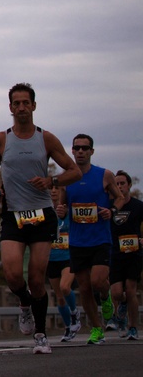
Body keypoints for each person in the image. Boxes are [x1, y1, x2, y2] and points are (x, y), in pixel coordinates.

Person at [0, 82, 80, 355]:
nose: (22, 108)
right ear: (10, 107)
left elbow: (74, 172)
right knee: (13, 275)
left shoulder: (46, 138)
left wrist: (52, 180)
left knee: (37, 279)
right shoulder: (1, 139)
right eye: (17, 103)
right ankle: (24, 304)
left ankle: (40, 334)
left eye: (26, 103)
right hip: (13, 215)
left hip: (41, 215)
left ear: (34, 106)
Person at [64, 134, 126, 345]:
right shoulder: (66, 178)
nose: (80, 151)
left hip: (100, 238)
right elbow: (62, 207)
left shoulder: (104, 175)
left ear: (92, 151)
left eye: (85, 148)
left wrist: (112, 210)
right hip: (77, 241)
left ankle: (106, 297)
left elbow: (119, 197)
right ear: (72, 151)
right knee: (84, 288)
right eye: (77, 148)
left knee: (97, 281)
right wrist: (61, 210)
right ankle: (96, 329)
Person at [109, 170, 142, 340]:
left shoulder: (138, 206)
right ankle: (121, 304)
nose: (120, 186)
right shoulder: (110, 206)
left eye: (122, 183)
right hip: (115, 254)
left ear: (129, 185)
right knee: (116, 293)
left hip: (134, 254)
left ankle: (133, 327)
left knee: (131, 291)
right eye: (117, 184)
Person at [48, 185, 81, 341]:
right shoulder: (45, 210)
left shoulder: (70, 210)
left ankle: (75, 312)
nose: (54, 191)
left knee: (65, 286)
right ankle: (68, 328)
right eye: (50, 188)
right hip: (51, 258)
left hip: (68, 257)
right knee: (59, 297)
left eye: (58, 188)